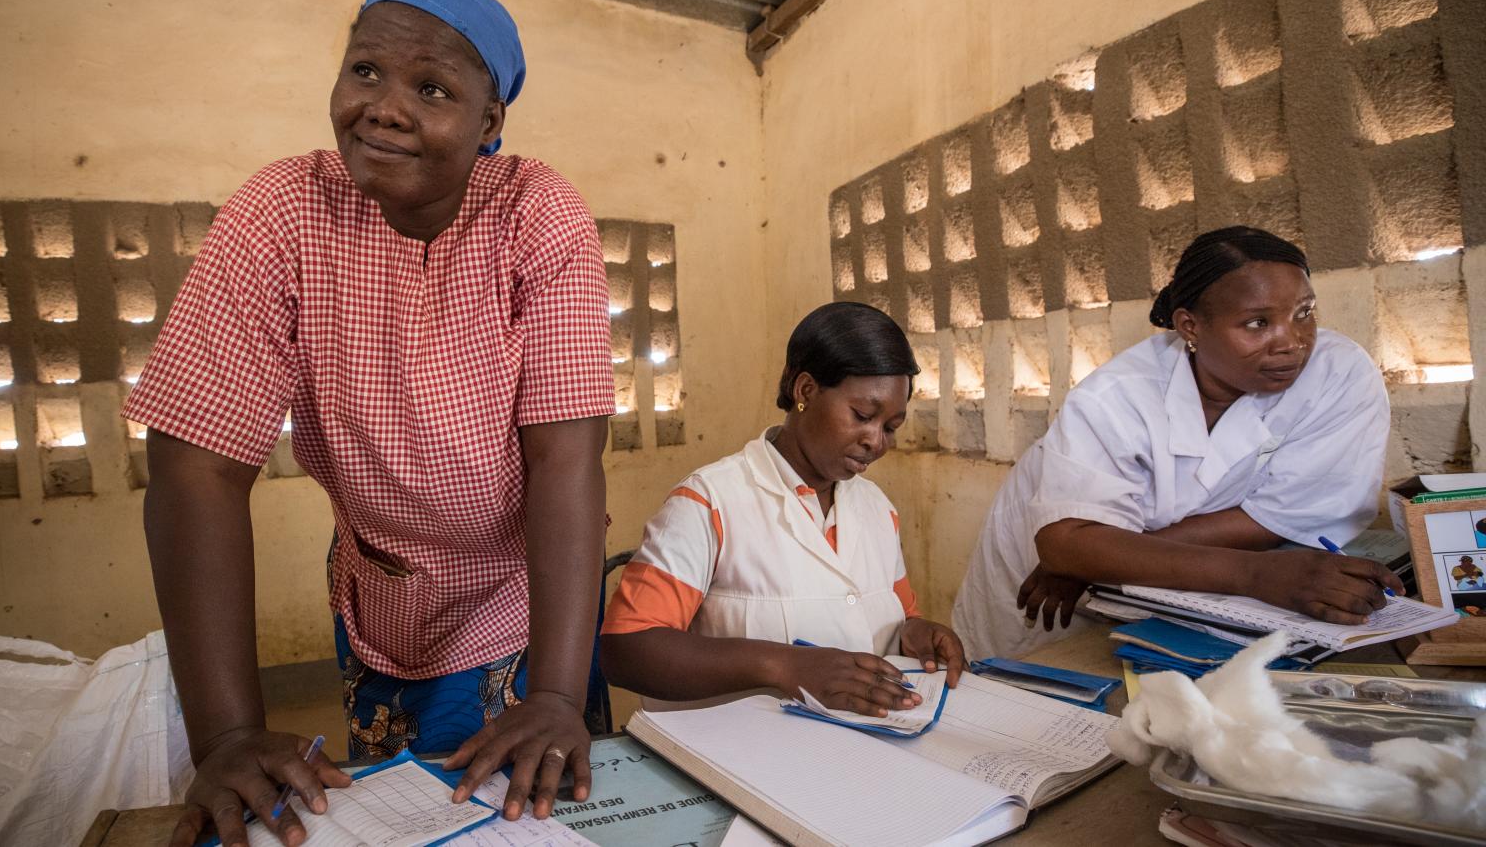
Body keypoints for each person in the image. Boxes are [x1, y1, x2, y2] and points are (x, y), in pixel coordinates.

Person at [124, 0, 614, 847]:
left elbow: (566, 461)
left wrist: (552, 694)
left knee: (531, 819)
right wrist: (229, 736)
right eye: (364, 71)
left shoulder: (538, 216)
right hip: (380, 601)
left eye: (431, 87)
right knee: (397, 822)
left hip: (524, 601)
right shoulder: (281, 213)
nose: (384, 106)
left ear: (488, 121)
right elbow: (195, 465)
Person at [953, 226, 1404, 661]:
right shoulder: (1117, 396)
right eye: (1256, 323)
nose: (1292, 342)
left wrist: (1105, 558)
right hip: (1042, 595)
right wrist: (1087, 556)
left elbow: (1288, 512)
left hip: (1171, 591)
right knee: (1039, 695)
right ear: (1190, 325)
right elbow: (1065, 542)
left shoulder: (1338, 373)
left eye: (1304, 313)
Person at [599, 302, 965, 715]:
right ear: (805, 391)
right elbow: (627, 649)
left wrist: (913, 632)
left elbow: (894, 616)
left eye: (890, 428)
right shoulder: (710, 502)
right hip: (742, 758)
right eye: (863, 415)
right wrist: (784, 665)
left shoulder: (878, 509)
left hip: (858, 754)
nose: (876, 441)